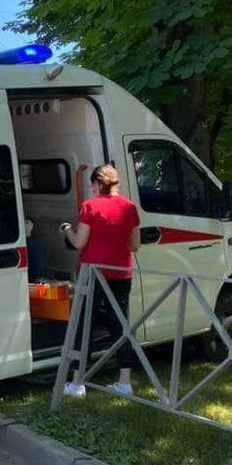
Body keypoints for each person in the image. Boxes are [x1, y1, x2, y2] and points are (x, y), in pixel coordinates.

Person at [59, 164, 141, 398]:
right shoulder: (129, 207)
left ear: (96, 184)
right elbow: (134, 245)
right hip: (121, 272)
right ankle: (124, 382)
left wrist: (67, 230)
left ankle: (78, 383)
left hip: (92, 274)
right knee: (121, 326)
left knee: (85, 326)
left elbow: (79, 243)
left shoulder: (90, 206)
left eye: (92, 184)